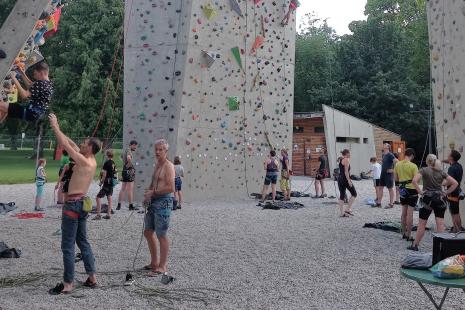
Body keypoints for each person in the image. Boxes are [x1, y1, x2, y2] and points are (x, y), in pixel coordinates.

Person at [48, 113, 101, 295]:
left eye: (85, 144)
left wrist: (55, 126)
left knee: (68, 246)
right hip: (82, 206)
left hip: (72, 206)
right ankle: (92, 277)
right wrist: (61, 130)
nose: (82, 144)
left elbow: (65, 146)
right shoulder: (91, 161)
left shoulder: (84, 161)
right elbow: (71, 144)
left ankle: (68, 283)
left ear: (91, 149)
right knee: (83, 242)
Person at [408, 154, 458, 251]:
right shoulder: (441, 172)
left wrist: (420, 192)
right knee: (440, 224)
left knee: (422, 223)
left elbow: (414, 181)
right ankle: (442, 247)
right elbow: (455, 183)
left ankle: (415, 245)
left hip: (427, 199)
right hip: (440, 199)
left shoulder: (424, 170)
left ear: (427, 161)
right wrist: (446, 193)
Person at [142, 139, 175, 276]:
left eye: (160, 149)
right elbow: (153, 182)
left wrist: (153, 192)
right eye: (156, 149)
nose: (157, 152)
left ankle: (163, 266)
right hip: (154, 201)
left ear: (166, 151)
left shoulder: (169, 166)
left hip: (163, 202)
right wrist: (147, 195)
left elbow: (171, 187)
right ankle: (154, 262)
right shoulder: (157, 165)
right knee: (148, 232)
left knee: (161, 234)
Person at [394, 149, 418, 242]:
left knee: (404, 212)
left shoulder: (397, 164)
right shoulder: (413, 166)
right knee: (410, 213)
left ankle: (403, 233)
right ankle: (409, 235)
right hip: (411, 189)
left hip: (402, 189)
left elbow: (396, 178)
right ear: (411, 155)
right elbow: (415, 180)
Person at [93, 149, 117, 220]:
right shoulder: (113, 163)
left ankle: (98, 215)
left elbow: (104, 174)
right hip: (111, 182)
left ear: (107, 155)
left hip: (107, 182)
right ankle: (108, 214)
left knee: (98, 197)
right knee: (109, 197)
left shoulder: (106, 163)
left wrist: (101, 182)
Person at [444, 150, 464, 233]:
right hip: (457, 190)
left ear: (452, 157)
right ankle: (456, 229)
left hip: (452, 192)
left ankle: (458, 230)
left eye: (449, 154)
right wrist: (441, 161)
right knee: (455, 211)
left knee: (454, 212)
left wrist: (442, 183)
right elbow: (448, 161)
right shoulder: (459, 166)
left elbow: (449, 181)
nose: (447, 156)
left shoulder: (451, 168)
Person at [117, 140, 138, 211]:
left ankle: (119, 205)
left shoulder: (124, 151)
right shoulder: (129, 151)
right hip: (129, 171)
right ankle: (131, 206)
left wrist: (125, 166)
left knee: (123, 189)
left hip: (124, 170)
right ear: (132, 145)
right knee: (130, 190)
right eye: (135, 146)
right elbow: (129, 158)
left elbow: (121, 158)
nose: (135, 147)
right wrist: (130, 166)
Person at [337, 149, 357, 217]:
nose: (350, 154)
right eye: (349, 153)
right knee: (354, 194)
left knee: (342, 195)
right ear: (347, 153)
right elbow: (346, 172)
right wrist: (349, 181)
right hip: (345, 179)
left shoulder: (341, 159)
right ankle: (347, 209)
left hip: (340, 179)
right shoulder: (346, 160)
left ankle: (342, 213)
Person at [379, 143, 396, 209]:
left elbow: (397, 162)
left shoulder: (390, 155)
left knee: (390, 189)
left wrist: (393, 170)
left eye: (385, 144)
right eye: (384, 144)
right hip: (383, 174)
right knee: (380, 188)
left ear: (388, 147)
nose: (383, 145)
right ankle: (379, 203)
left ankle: (391, 204)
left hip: (388, 175)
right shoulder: (383, 154)